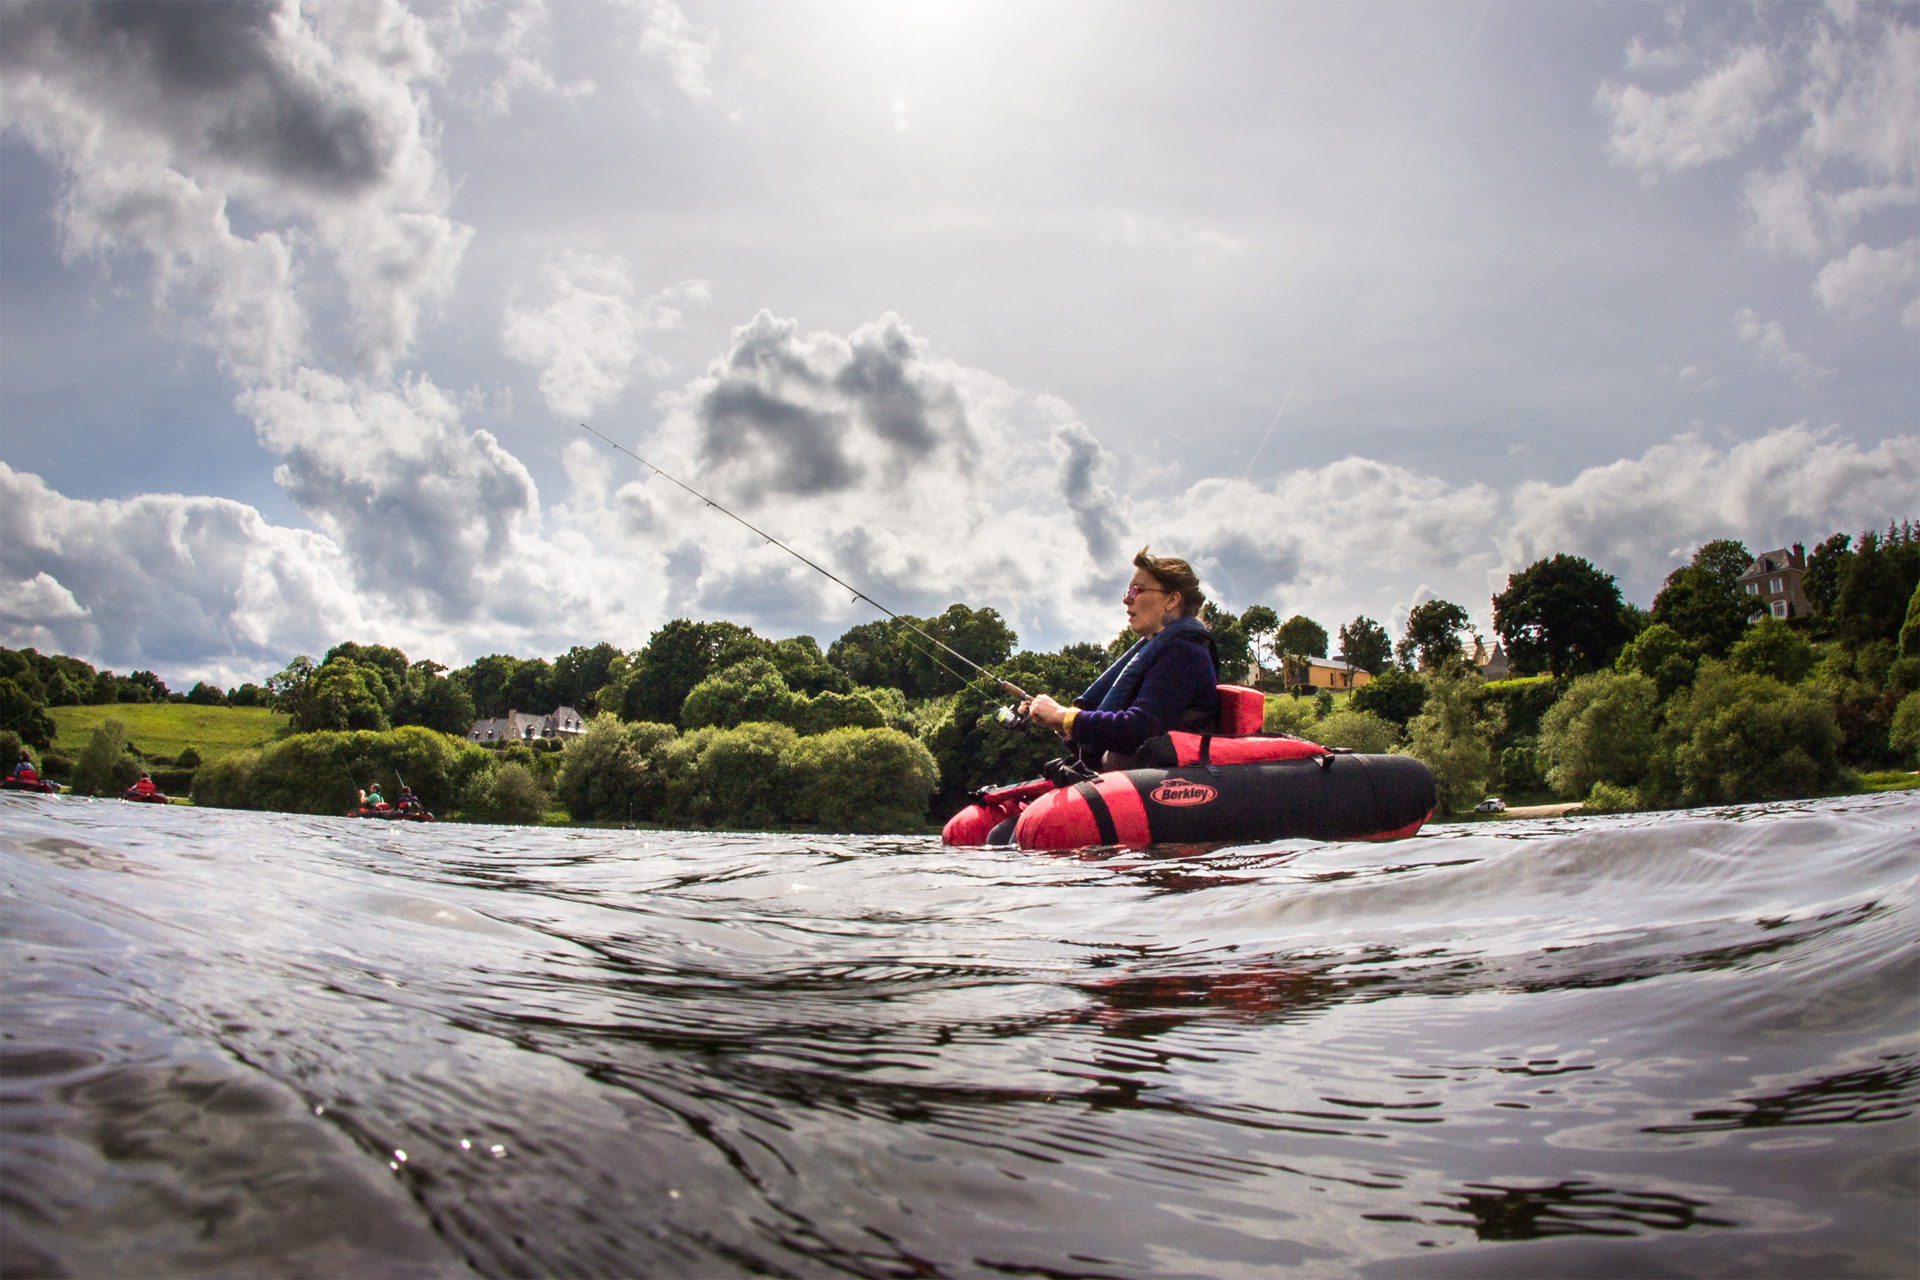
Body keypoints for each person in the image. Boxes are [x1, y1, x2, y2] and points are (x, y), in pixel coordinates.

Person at [1021, 546, 1220, 768]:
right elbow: (1112, 738)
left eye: (1137, 590)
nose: (1127, 600)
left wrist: (1064, 716)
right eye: (1127, 592)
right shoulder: (1163, 648)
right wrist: (1058, 722)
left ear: (1172, 599)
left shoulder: (1185, 653)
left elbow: (1138, 730)